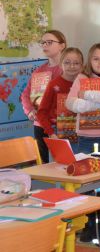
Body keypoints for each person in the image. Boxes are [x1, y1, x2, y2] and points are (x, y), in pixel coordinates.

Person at [21, 30, 66, 162]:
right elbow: (25, 95)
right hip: (40, 123)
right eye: (43, 43)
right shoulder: (39, 71)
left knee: (63, 161)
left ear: (62, 45)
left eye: (50, 42)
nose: (45, 45)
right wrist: (29, 111)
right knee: (43, 163)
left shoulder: (68, 69)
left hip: (62, 123)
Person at [37, 47, 84, 148]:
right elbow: (41, 113)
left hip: (82, 134)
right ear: (60, 64)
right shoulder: (53, 85)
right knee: (59, 163)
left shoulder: (85, 84)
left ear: (82, 66)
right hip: (58, 134)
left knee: (81, 162)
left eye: (76, 63)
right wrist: (51, 133)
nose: (72, 66)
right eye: (67, 62)